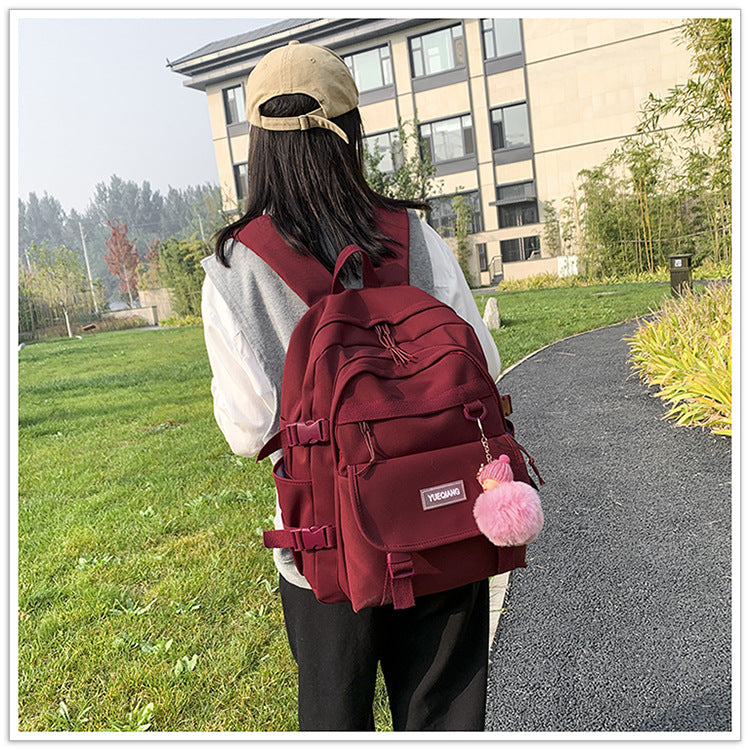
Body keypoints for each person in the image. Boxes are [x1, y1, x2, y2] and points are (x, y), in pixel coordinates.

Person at [201, 41, 503, 732]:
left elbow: (248, 428)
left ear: (258, 145)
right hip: (441, 518)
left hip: (326, 548)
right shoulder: (414, 235)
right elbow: (479, 361)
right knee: (445, 716)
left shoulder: (236, 267)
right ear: (352, 131)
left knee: (335, 719)